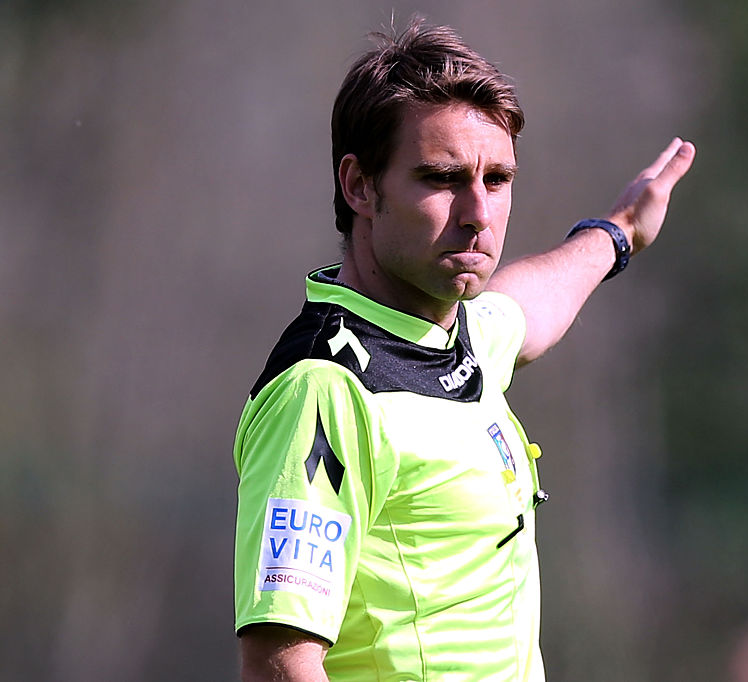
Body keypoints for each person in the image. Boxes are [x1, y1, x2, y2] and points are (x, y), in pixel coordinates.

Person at [233, 20, 695, 682]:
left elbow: (524, 309)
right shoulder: (325, 389)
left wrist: (617, 232)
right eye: (443, 178)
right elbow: (280, 663)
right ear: (360, 186)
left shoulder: (456, 339)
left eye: (498, 179)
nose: (478, 211)